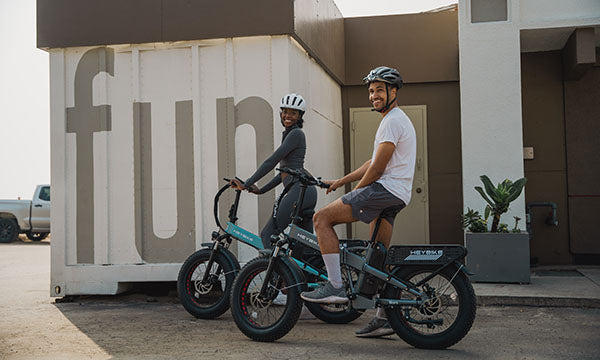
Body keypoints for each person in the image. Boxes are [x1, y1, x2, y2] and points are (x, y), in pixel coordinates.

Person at [299, 66, 416, 338]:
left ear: (393, 91)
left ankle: (335, 285)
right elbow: (371, 162)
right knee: (379, 255)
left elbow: (376, 171)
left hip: (385, 189)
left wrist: (351, 195)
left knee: (322, 219)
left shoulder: (392, 121)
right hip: (398, 194)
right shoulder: (394, 120)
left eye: (379, 90)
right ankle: (386, 317)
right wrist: (341, 182)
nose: (373, 95)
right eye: (371, 91)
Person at [231, 93, 317, 250]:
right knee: (302, 247)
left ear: (300, 116)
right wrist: (261, 190)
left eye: (293, 112)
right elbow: (285, 171)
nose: (288, 116)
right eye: (285, 111)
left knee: (268, 234)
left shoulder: (296, 134)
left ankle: (276, 274)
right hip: (305, 192)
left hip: (299, 191)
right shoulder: (291, 134)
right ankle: (303, 275)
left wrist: (247, 184)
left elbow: (272, 161)